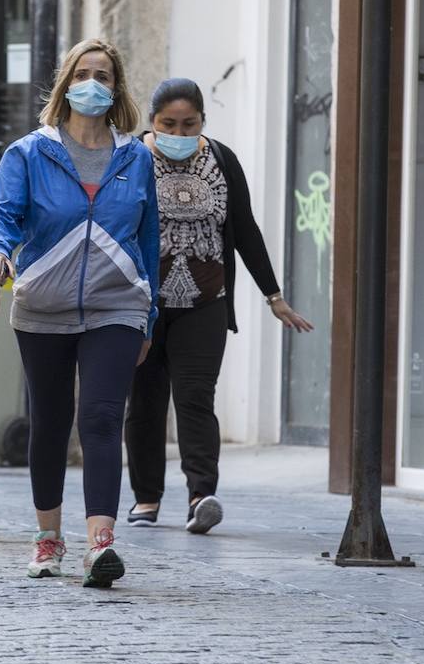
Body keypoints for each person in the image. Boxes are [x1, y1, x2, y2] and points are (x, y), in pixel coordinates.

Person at [0, 38, 158, 588]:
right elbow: (0, 214)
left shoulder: (137, 157)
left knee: (102, 419)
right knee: (50, 424)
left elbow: (148, 241)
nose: (93, 84)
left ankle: (100, 545)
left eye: (104, 75)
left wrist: (148, 315)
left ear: (116, 86)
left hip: (117, 304)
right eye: (84, 73)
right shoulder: (30, 153)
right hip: (45, 304)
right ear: (66, 84)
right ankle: (48, 537)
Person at [124, 78, 312, 534]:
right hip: (141, 304)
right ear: (152, 121)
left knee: (195, 397)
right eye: (169, 123)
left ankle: (200, 495)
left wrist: (274, 296)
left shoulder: (222, 160)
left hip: (206, 301)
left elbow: (244, 229)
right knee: (145, 401)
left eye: (189, 124)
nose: (179, 131)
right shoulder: (128, 157)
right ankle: (146, 498)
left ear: (203, 121)